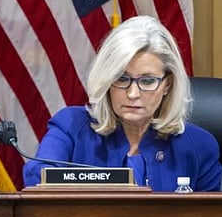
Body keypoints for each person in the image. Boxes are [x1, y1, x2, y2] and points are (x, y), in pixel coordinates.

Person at [22, 15, 222, 191]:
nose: (133, 93)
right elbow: (37, 179)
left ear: (167, 84)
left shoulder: (198, 146)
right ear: (107, 79)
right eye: (121, 78)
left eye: (147, 81)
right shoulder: (70, 127)